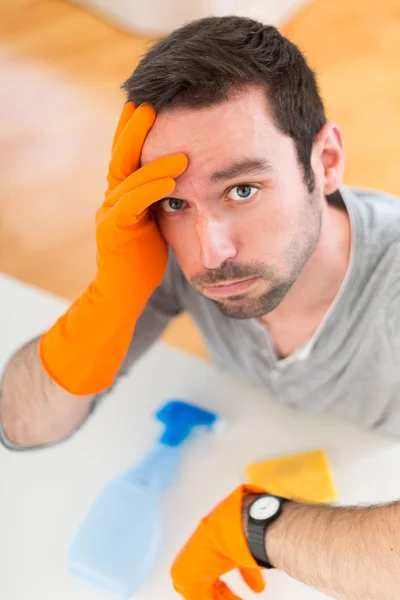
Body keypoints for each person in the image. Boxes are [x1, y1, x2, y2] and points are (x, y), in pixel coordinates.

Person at [1, 14, 399, 599]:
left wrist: (258, 527)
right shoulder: (166, 256)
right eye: (174, 203)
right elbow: (21, 425)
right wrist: (110, 297)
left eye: (242, 189)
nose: (211, 253)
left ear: (326, 162)